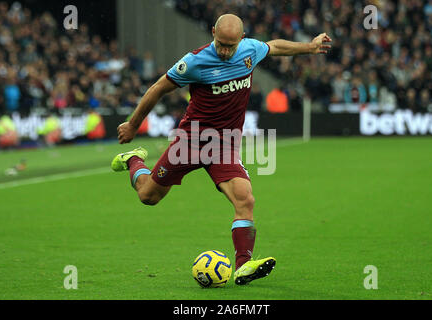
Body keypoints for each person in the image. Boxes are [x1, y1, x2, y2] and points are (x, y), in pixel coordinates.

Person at [112, 14, 331, 285]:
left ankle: (243, 265)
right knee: (148, 196)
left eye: (231, 46)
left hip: (224, 144)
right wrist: (133, 125)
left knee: (245, 199)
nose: (225, 52)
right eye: (221, 44)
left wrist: (309, 47)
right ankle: (134, 159)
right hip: (190, 142)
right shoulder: (195, 61)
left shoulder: (250, 49)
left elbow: (274, 47)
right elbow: (158, 88)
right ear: (213, 32)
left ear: (241, 38)